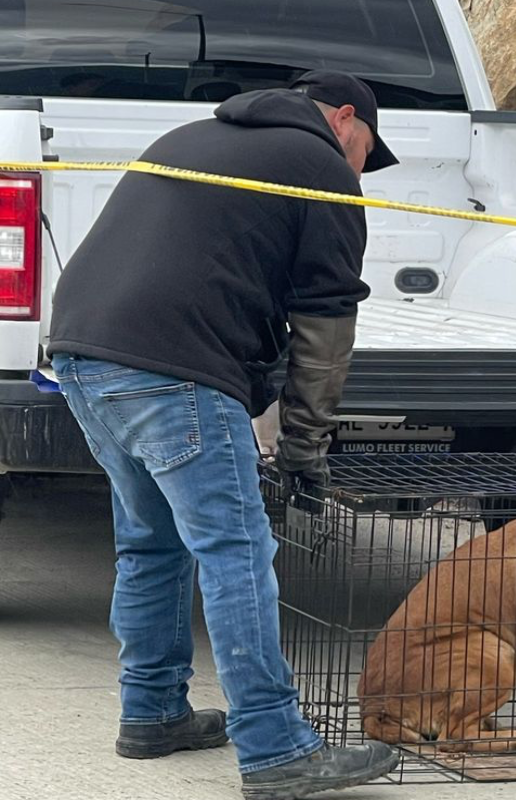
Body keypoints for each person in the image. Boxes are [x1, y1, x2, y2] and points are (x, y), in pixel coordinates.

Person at [48, 70, 401, 799]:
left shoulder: (191, 137)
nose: (363, 167)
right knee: (237, 550)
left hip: (82, 357)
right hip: (172, 369)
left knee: (152, 542)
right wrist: (305, 447)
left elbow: (230, 290)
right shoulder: (322, 170)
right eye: (368, 149)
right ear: (344, 120)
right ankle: (276, 749)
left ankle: (152, 713)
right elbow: (324, 330)